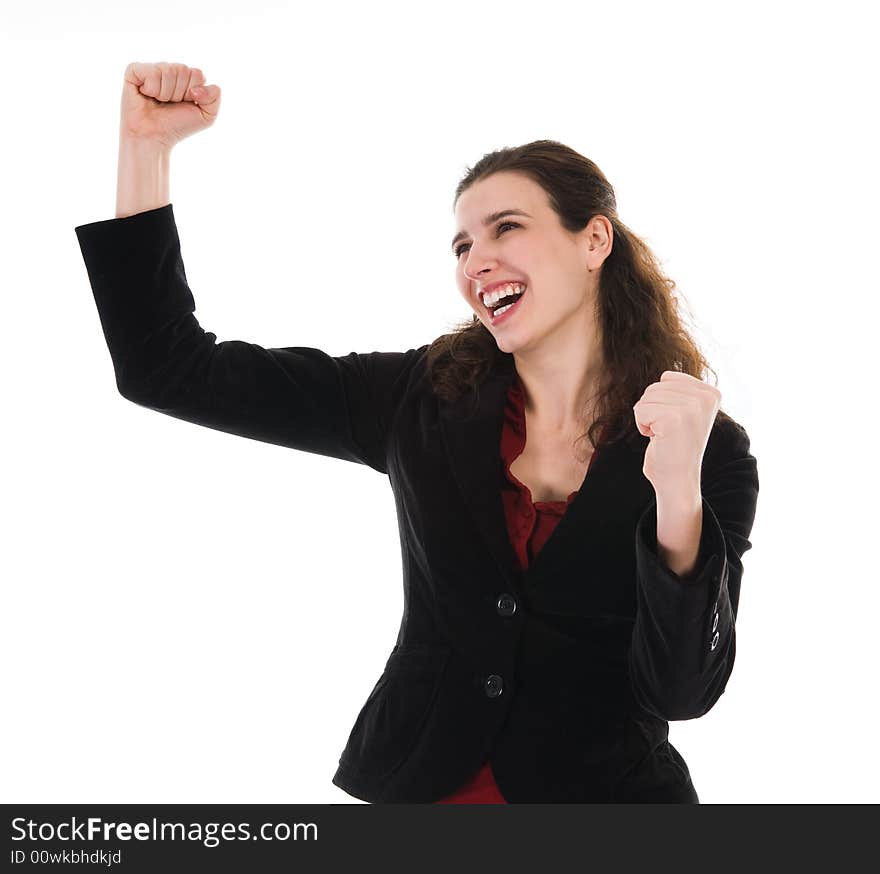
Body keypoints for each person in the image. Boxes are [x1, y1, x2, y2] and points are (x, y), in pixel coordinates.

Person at [75, 62, 759, 804]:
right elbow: (167, 368)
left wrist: (677, 499)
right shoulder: (422, 398)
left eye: (507, 228)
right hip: (422, 788)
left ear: (594, 240)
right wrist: (144, 151)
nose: (477, 260)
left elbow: (683, 690)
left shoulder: (708, 448)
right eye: (462, 246)